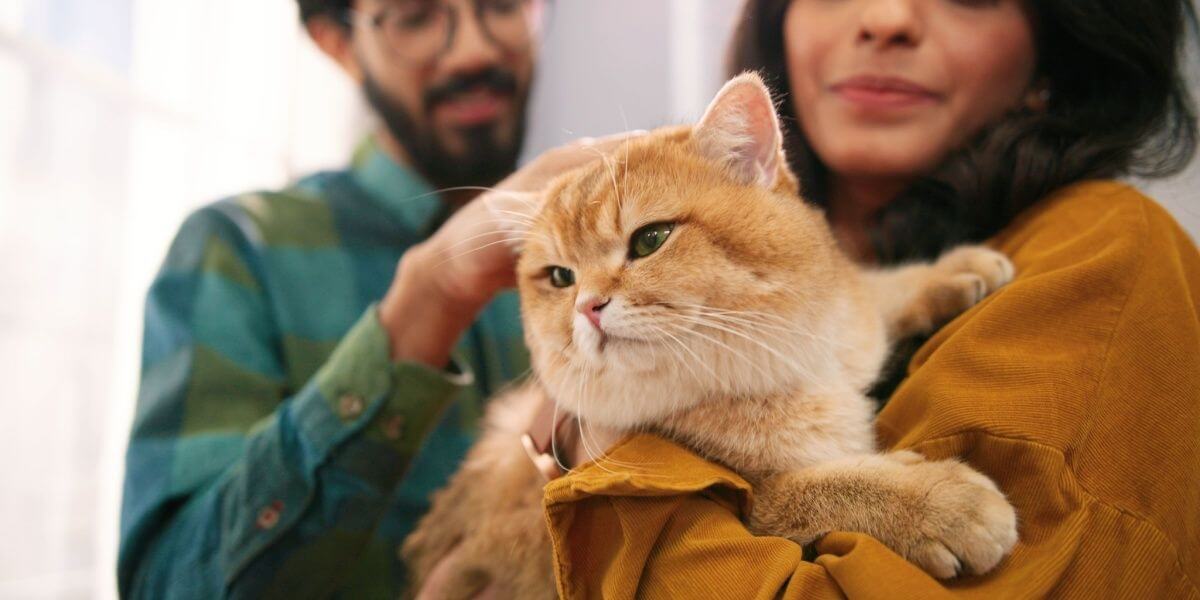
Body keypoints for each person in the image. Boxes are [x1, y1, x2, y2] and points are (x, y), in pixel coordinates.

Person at [540, 0, 1200, 598]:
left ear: (1058, 48)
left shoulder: (1106, 252)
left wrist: (593, 455)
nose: (885, 16)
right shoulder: (790, 249)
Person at [117, 0, 622, 596]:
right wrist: (427, 298)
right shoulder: (239, 250)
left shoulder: (612, 262)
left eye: (502, 5)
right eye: (416, 18)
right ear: (337, 42)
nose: (475, 49)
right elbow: (168, 585)